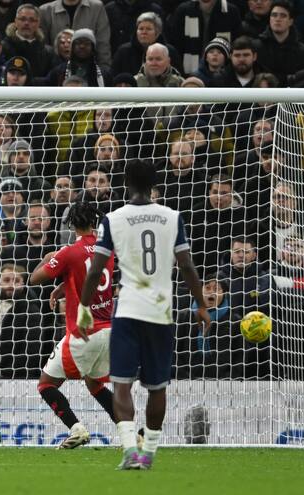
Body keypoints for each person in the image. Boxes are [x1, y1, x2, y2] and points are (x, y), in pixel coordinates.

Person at [80, 161, 209, 469]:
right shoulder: (172, 217)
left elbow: (96, 270)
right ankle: (148, 452)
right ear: (154, 184)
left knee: (121, 383)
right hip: (160, 312)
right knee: (157, 386)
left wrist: (84, 307)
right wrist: (201, 304)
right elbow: (186, 265)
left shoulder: (113, 219)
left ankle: (129, 450)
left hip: (127, 310)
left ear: (126, 182)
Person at [29, 202, 117, 449]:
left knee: (46, 384)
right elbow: (91, 276)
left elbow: (34, 279)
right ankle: (132, 432)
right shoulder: (107, 250)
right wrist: (65, 285)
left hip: (83, 332)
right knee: (95, 384)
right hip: (108, 329)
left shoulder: (69, 252)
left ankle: (76, 429)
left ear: (71, 225)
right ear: (94, 222)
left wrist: (50, 257)